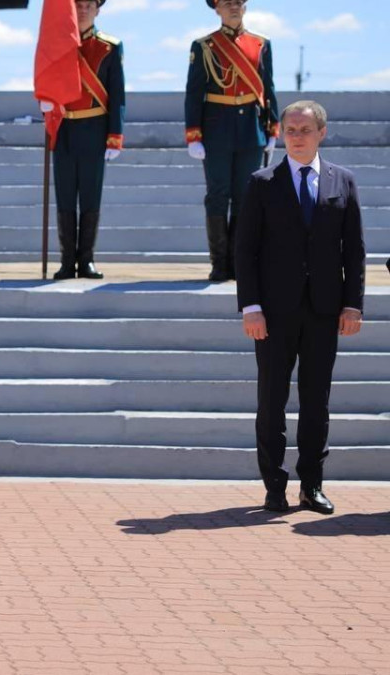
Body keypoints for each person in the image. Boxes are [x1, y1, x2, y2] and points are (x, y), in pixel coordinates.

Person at [235, 101, 365, 515]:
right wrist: (251, 307)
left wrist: (353, 305)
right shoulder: (262, 182)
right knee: (271, 400)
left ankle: (312, 485)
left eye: (305, 130)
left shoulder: (342, 181)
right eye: (290, 130)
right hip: (273, 313)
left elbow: (354, 250)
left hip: (325, 310)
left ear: (321, 133)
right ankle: (274, 486)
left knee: (316, 401)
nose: (296, 137)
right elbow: (245, 250)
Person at [185, 0, 279, 282]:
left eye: (238, 2)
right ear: (217, 9)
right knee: (217, 195)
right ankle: (219, 263)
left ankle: (239, 264)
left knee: (245, 198)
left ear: (245, 7)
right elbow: (194, 93)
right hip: (217, 129)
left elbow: (268, 87)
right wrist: (193, 134)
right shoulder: (204, 46)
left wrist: (272, 128)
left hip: (250, 129)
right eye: (227, 3)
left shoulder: (261, 44)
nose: (234, 7)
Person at [43, 0, 124, 280]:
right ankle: (67, 261)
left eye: (89, 5)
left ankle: (86, 260)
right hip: (64, 127)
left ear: (97, 10)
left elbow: (117, 95)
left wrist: (115, 135)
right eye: (78, 5)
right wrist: (45, 101)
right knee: (65, 197)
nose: (83, 10)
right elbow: (47, 77)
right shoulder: (58, 44)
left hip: (95, 128)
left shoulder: (109, 46)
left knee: (90, 197)